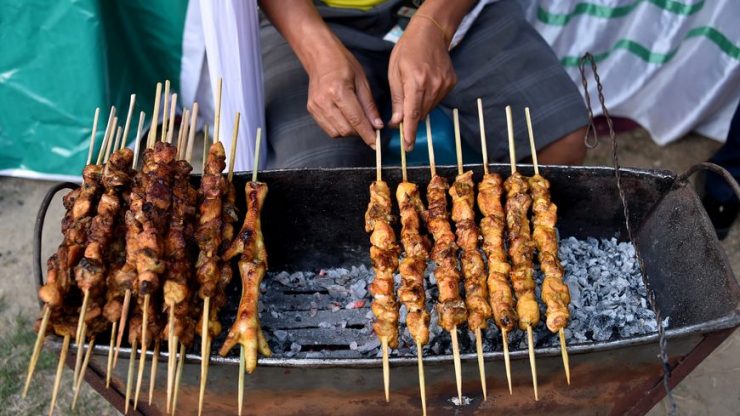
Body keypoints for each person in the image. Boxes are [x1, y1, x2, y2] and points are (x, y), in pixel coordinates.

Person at [257, 0, 588, 168]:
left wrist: (435, 24)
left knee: (560, 137)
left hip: (448, 9)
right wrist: (317, 54)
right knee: (315, 181)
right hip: (309, 18)